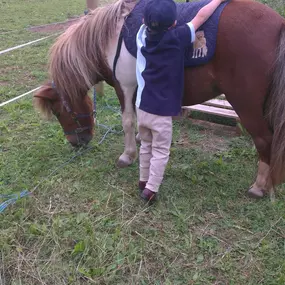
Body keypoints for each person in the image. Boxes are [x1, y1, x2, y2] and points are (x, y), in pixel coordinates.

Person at [136, 0, 227, 203]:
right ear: (175, 23)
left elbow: (148, 23)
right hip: (162, 111)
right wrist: (219, 1)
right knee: (160, 150)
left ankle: (143, 180)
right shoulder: (177, 38)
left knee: (146, 145)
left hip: (142, 107)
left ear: (144, 20)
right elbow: (201, 17)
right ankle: (151, 190)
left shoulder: (140, 36)